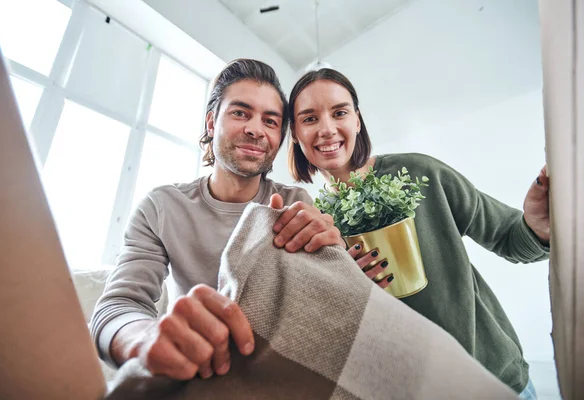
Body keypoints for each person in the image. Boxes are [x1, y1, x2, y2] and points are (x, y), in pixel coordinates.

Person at [287, 68, 550, 399]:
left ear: (357, 120)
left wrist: (538, 226)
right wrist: (351, 290)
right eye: (309, 119)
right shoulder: (315, 226)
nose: (327, 129)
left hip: (496, 380)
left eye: (339, 112)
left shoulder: (419, 172)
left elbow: (511, 238)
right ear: (294, 133)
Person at [90, 59, 345, 382]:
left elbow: (323, 314)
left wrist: (336, 259)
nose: (255, 129)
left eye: (270, 120)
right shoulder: (162, 207)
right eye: (240, 113)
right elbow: (116, 308)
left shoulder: (296, 204)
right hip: (196, 375)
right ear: (211, 123)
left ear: (280, 138)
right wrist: (144, 338)